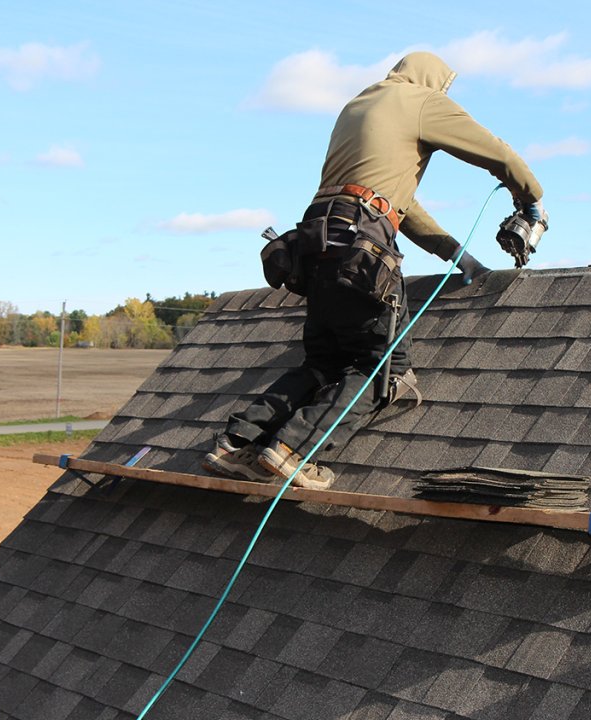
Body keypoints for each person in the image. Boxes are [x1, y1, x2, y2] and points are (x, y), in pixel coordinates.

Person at [203, 50, 545, 490]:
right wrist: (531, 198)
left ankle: (235, 443)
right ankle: (290, 452)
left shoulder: (360, 103)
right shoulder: (421, 99)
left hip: (317, 244)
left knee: (324, 365)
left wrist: (458, 255)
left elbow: (399, 206)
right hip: (361, 247)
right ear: (433, 82)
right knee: (386, 369)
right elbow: (496, 153)